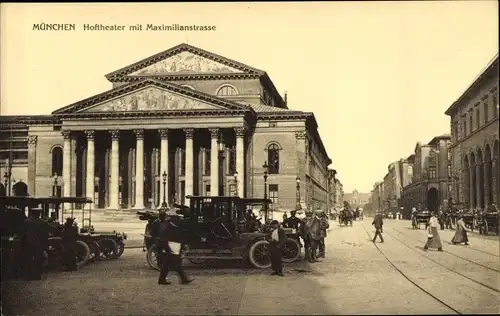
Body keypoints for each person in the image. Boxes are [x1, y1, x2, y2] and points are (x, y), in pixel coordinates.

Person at [157, 211, 194, 285]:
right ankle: (184, 279)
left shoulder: (165, 224)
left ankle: (162, 280)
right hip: (171, 246)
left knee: (166, 265)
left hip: (169, 246)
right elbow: (172, 236)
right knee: (176, 263)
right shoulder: (169, 225)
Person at [22, 208, 49, 280]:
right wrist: (45, 245)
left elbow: (23, 234)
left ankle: (28, 276)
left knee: (28, 259)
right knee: (38, 259)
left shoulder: (26, 221)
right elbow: (45, 235)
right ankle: (37, 276)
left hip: (28, 243)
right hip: (39, 244)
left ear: (32, 213)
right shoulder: (43, 222)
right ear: (38, 214)